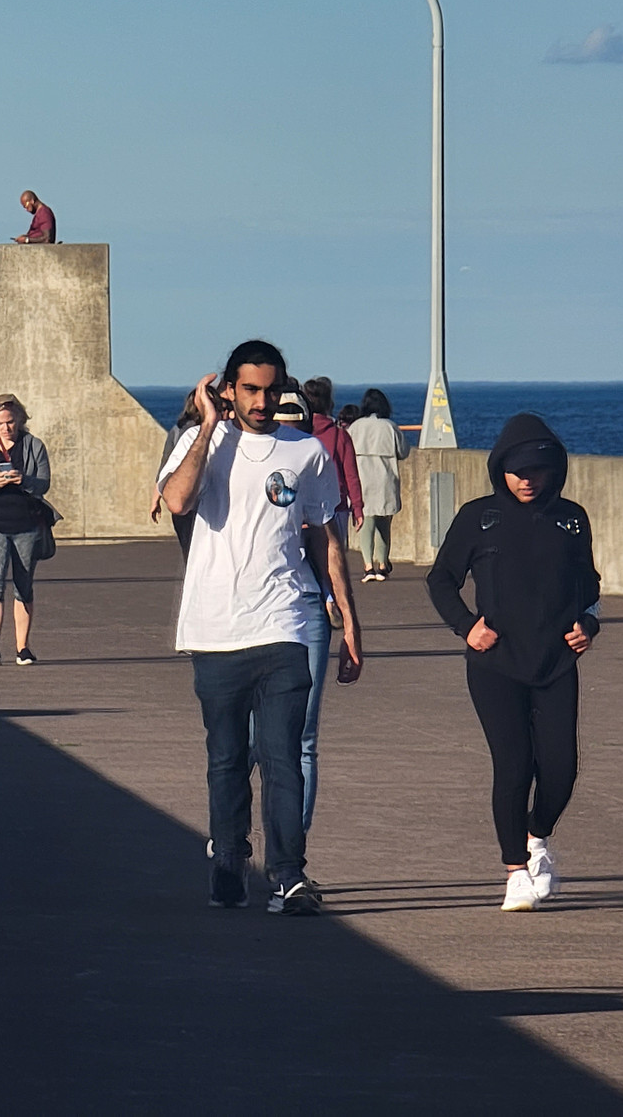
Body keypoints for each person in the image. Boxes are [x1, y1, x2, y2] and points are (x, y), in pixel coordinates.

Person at [158, 340, 362, 916]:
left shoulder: (305, 453)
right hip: (215, 628)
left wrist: (348, 620)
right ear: (227, 389)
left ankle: (288, 877)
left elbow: (325, 539)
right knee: (225, 757)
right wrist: (205, 426)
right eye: (250, 389)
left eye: (272, 389)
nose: (262, 401)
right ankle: (228, 858)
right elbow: (176, 500)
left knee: (282, 755)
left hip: (285, 622)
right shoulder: (203, 445)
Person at [427, 414, 601, 911]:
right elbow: (441, 579)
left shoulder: (572, 520)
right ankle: (514, 871)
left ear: (554, 471)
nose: (526, 479)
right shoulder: (478, 517)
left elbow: (589, 587)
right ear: (500, 468)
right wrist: (467, 626)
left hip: (556, 662)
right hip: (495, 663)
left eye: (536, 471)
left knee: (562, 769)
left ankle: (537, 838)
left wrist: (589, 626)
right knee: (514, 764)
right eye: (516, 470)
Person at [0, 394, 53, 666]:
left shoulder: (34, 446)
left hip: (26, 523)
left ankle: (23, 647)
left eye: (10, 421)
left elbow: (43, 484)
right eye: (0, 423)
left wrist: (23, 479)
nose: (6, 428)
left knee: (23, 585)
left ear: (20, 419)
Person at [303, 376, 364, 630]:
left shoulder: (297, 436)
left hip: (304, 505)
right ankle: (332, 597)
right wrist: (358, 507)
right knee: (334, 557)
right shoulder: (339, 436)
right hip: (335, 505)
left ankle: (321, 598)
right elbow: (351, 474)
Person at [349, 388, 408, 582]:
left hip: (363, 478)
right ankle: (382, 564)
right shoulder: (390, 427)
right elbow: (403, 451)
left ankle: (368, 566)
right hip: (385, 479)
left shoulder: (356, 427)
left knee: (365, 522)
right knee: (384, 523)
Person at [150, 390, 205, 564]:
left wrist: (155, 500)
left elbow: (165, 467)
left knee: (189, 551)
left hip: (182, 500)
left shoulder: (178, 429)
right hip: (201, 500)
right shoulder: (211, 431)